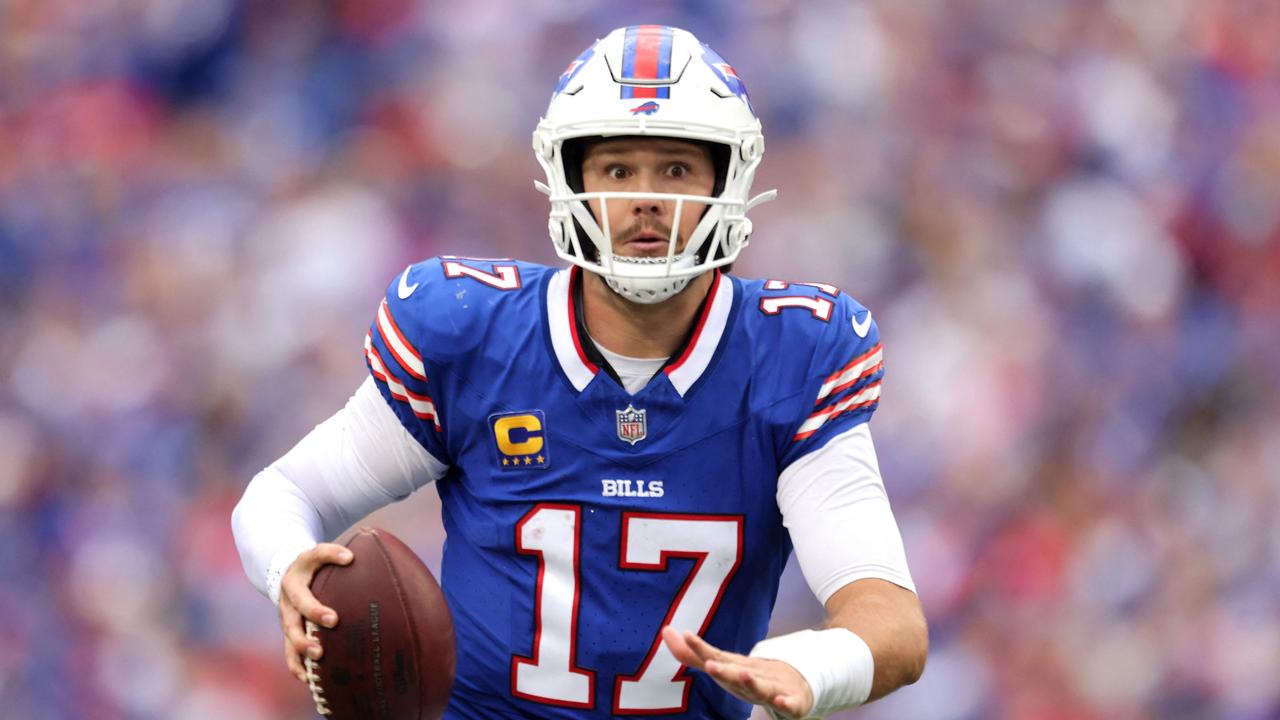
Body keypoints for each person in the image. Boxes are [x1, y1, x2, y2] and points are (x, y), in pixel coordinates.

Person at [232, 25, 926, 719]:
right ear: (571, 180)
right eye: (618, 170)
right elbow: (281, 494)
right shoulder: (472, 334)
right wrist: (286, 565)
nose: (648, 199)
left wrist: (805, 666)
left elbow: (890, 621)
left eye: (677, 170)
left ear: (730, 180)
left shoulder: (789, 358)